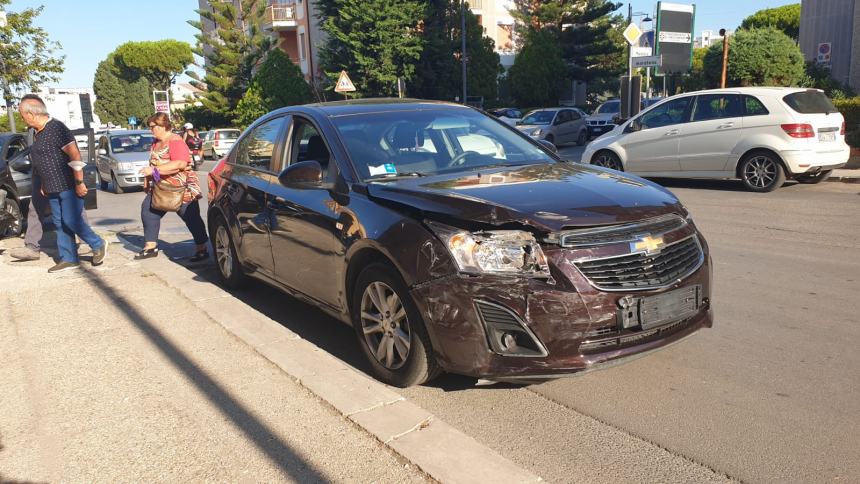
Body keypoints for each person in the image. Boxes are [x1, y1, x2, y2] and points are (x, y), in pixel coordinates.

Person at [16, 94, 107, 273]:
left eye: (22, 114)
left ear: (31, 114)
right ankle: (69, 258)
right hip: (51, 187)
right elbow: (44, 160)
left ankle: (98, 243)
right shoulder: (37, 133)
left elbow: (75, 155)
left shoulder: (57, 128)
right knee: (59, 222)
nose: (21, 118)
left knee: (70, 219)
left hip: (68, 184)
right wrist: (43, 183)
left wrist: (80, 181)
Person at [136, 112, 208, 261]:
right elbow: (153, 163)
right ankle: (150, 247)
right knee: (148, 210)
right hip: (160, 186)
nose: (151, 130)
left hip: (181, 187)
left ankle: (202, 249)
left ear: (162, 126)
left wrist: (155, 171)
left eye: (152, 127)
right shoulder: (156, 143)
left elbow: (180, 163)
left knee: (190, 217)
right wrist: (147, 181)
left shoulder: (175, 141)